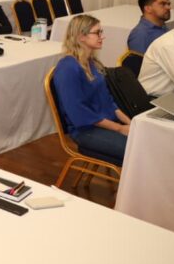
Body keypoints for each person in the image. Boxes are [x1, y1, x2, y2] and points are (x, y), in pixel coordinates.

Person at [52, 15, 131, 166]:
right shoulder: (67, 68)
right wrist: (120, 129)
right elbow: (80, 114)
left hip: (103, 123)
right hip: (85, 130)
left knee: (143, 140)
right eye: (97, 33)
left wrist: (131, 123)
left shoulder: (91, 62)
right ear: (81, 36)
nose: (102, 36)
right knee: (138, 149)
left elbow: (109, 101)